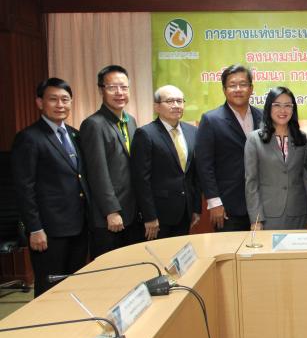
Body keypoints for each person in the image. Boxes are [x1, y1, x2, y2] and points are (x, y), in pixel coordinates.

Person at [12, 78, 90, 297]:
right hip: (49, 231)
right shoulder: (29, 138)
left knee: (74, 285)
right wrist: (35, 228)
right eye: (53, 99)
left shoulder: (74, 134)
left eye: (65, 99)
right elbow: (24, 188)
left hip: (78, 226)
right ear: (40, 103)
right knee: (50, 289)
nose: (60, 105)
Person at [80, 64, 141, 258]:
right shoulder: (93, 124)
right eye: (112, 87)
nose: (119, 92)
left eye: (124, 87)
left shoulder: (130, 121)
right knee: (110, 268)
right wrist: (111, 211)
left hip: (132, 213)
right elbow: (97, 173)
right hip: (109, 217)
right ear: (101, 90)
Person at [196, 64, 264, 232]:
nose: (238, 89)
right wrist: (214, 202)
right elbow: (204, 165)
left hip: (262, 202)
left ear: (251, 88)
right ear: (224, 90)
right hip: (228, 206)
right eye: (232, 85)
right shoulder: (211, 120)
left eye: (243, 84)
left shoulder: (263, 117)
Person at [131, 85, 200, 240]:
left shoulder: (192, 131)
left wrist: (196, 208)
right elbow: (141, 179)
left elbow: (194, 174)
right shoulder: (145, 134)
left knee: (180, 253)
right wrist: (149, 216)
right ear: (156, 106)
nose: (176, 105)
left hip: (185, 211)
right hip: (159, 215)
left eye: (179, 101)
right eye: (170, 101)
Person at [244, 86, 307, 230]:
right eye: (277, 105)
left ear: (293, 109)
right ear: (268, 108)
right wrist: (256, 219)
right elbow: (251, 182)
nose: (283, 110)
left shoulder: (302, 138)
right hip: (267, 215)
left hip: (298, 214)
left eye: (288, 105)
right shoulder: (254, 139)